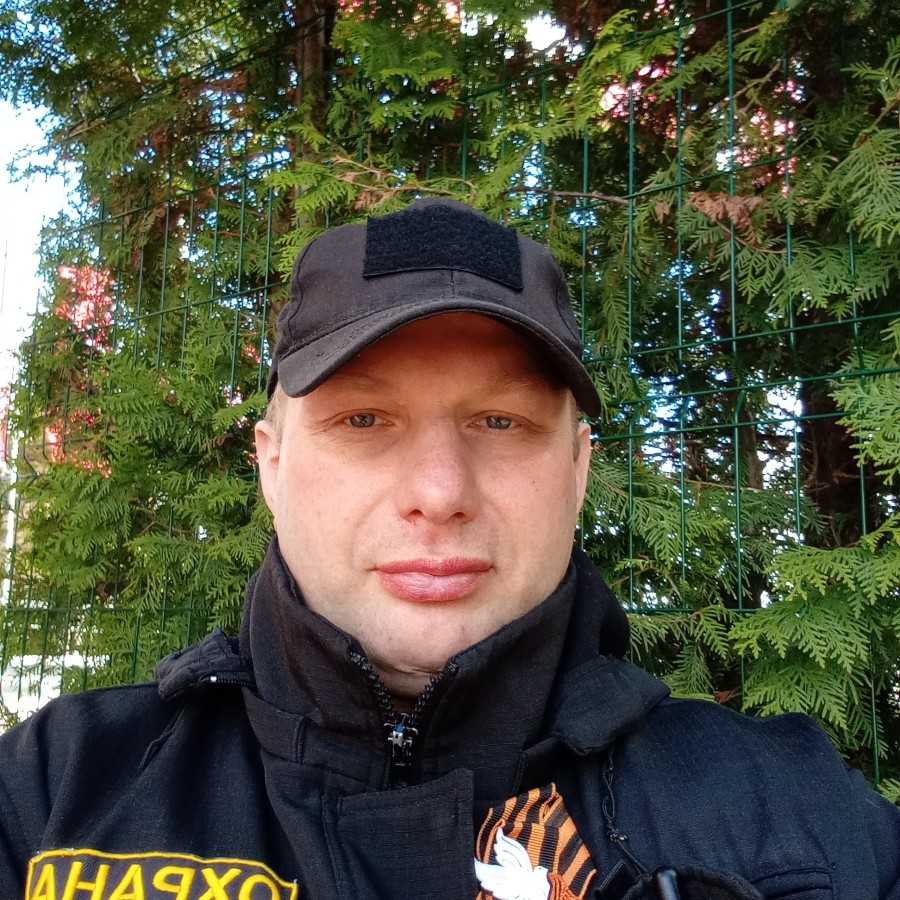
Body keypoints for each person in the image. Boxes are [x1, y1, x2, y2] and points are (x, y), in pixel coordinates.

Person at [0, 199, 897, 900]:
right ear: (271, 467)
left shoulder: (791, 816)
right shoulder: (52, 796)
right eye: (363, 419)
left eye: (500, 422)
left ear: (578, 469)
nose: (439, 491)